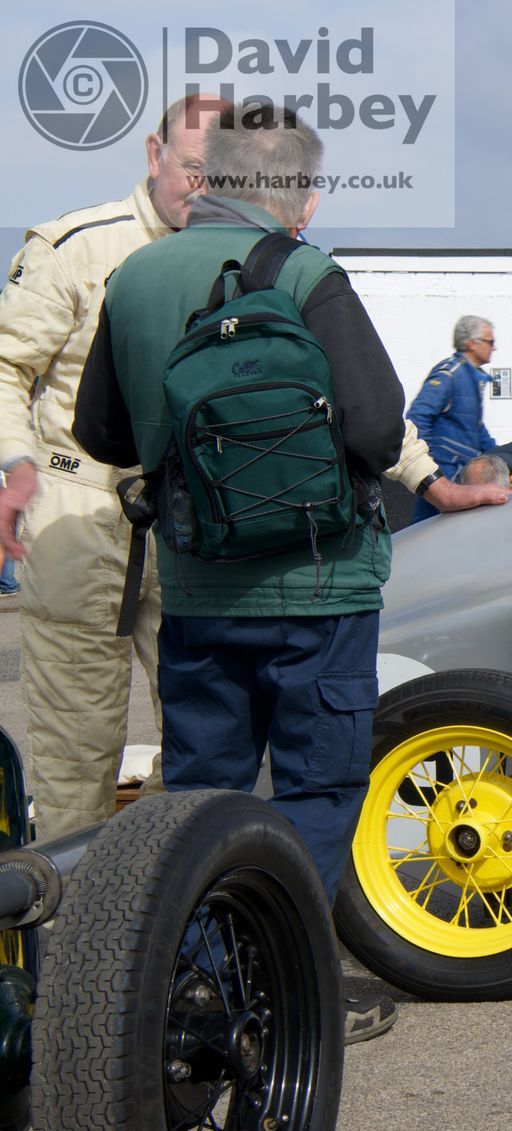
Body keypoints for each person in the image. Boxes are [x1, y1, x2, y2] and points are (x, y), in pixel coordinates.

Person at [71, 105, 405, 1042]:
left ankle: (206, 981)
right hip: (320, 586)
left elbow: (97, 433)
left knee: (202, 790)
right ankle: (292, 991)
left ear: (206, 177)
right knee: (316, 788)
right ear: (296, 192)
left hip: (197, 590)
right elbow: (377, 430)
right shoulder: (306, 272)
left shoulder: (134, 275)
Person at [0, 94, 230, 840]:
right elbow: (6, 365)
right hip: (78, 515)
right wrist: (17, 466)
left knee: (206, 742)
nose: (203, 187)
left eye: (222, 172)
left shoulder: (245, 259)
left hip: (192, 527)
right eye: (193, 168)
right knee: (76, 756)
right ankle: (74, 941)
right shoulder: (76, 247)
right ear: (154, 153)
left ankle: (159, 900)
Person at [406, 315, 499, 524]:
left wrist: (500, 455)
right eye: (490, 342)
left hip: (462, 474)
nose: (494, 347)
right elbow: (417, 417)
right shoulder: (449, 374)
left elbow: (475, 428)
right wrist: (432, 465)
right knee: (426, 533)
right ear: (471, 343)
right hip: (445, 476)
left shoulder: (472, 377)